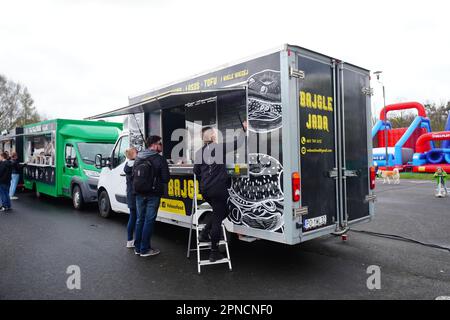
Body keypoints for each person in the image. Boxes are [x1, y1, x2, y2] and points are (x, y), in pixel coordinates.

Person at [193, 121, 247, 262]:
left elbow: (196, 171)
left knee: (222, 212)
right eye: (214, 133)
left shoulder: (199, 152)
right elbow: (238, 143)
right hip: (218, 189)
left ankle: (204, 233)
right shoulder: (219, 148)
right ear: (212, 136)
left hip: (205, 190)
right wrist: (244, 129)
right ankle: (213, 252)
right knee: (218, 217)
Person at [133, 136, 169, 257]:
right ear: (154, 145)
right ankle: (145, 249)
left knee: (140, 220)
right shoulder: (159, 159)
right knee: (149, 221)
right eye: (160, 143)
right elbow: (166, 178)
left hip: (139, 193)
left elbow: (134, 174)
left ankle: (137, 248)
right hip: (153, 194)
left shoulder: (138, 157)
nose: (162, 146)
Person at [124, 147, 138, 248]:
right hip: (136, 195)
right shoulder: (136, 165)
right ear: (133, 154)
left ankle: (129, 240)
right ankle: (137, 241)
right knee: (138, 219)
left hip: (130, 194)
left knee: (132, 218)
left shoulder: (127, 165)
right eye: (137, 152)